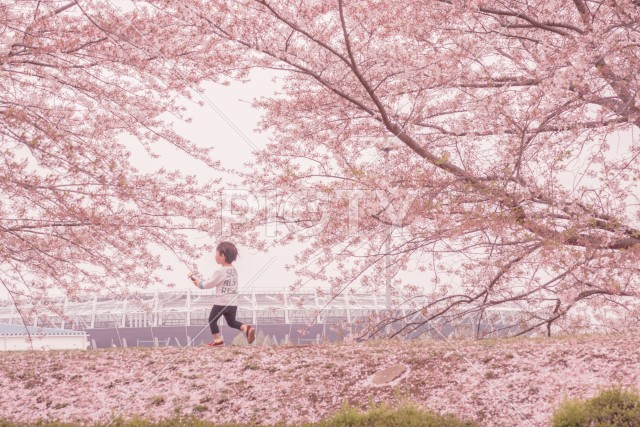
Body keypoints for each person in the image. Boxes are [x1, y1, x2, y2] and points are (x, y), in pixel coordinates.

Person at [189, 241, 255, 347]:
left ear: (222, 256)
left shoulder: (220, 271)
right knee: (231, 322)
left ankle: (217, 341)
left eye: (216, 254)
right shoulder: (234, 270)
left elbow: (208, 284)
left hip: (222, 302)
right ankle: (246, 328)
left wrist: (198, 283)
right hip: (233, 302)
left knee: (212, 320)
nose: (215, 256)